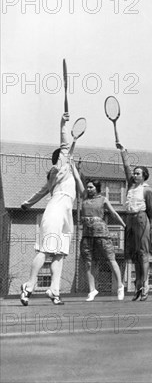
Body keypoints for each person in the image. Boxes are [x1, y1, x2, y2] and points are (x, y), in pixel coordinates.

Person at [20, 113, 76, 306]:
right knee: (46, 250)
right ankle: (29, 285)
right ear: (60, 159)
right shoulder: (61, 166)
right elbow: (64, 144)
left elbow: (40, 193)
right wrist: (63, 124)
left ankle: (54, 290)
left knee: (60, 253)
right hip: (55, 211)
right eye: (65, 157)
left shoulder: (60, 175)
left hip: (66, 214)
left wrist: (27, 203)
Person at [116, 142, 152, 301]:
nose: (135, 175)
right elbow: (126, 168)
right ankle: (138, 285)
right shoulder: (131, 186)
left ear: (144, 176)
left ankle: (145, 285)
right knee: (134, 255)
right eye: (134, 173)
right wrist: (123, 152)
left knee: (143, 253)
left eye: (138, 173)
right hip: (130, 220)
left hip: (141, 219)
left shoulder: (147, 190)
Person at [74, 178, 127, 301]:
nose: (88, 189)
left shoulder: (103, 200)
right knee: (88, 262)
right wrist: (72, 166)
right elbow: (78, 180)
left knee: (110, 259)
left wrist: (124, 226)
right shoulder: (84, 198)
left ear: (97, 188)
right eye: (87, 187)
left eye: (91, 187)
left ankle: (120, 286)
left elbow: (114, 213)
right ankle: (92, 290)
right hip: (87, 235)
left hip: (102, 234)